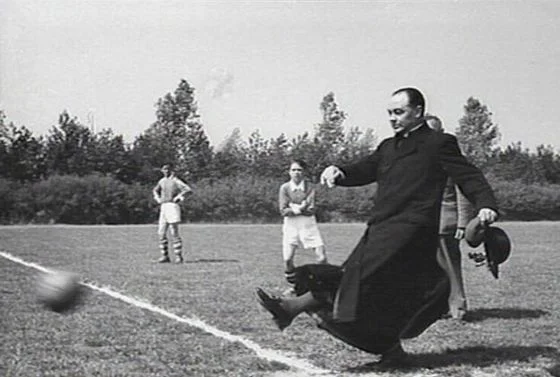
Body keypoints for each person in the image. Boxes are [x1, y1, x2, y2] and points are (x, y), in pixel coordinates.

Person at [256, 87, 499, 365]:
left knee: (358, 279)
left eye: (399, 112)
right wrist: (341, 171)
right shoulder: (388, 146)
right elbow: (365, 168)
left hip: (412, 230)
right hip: (381, 227)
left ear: (418, 111)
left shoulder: (439, 143)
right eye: (389, 113)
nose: (392, 118)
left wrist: (486, 205)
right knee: (380, 291)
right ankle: (389, 348)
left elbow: (470, 176)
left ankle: (293, 307)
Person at [425, 115, 475, 320]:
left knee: (450, 267)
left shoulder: (451, 158)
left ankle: (458, 308)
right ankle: (437, 308)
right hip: (424, 223)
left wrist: (463, 223)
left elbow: (464, 192)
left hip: (446, 223)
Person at [279, 159, 327, 294]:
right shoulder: (284, 188)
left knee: (321, 257)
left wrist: (293, 207)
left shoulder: (310, 187)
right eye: (293, 170)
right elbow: (283, 211)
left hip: (308, 224)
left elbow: (311, 210)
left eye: (299, 170)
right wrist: (299, 208)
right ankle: (294, 287)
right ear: (289, 172)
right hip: (291, 226)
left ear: (304, 172)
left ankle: (325, 283)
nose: (296, 173)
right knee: (288, 259)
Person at [152, 164, 192, 264]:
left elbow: (187, 189)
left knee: (174, 231)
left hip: (172, 206)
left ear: (171, 170)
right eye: (163, 169)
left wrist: (179, 197)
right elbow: (155, 190)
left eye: (167, 169)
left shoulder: (175, 180)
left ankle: (178, 256)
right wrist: (157, 198)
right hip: (164, 206)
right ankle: (164, 256)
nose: (165, 171)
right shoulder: (161, 181)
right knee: (161, 232)